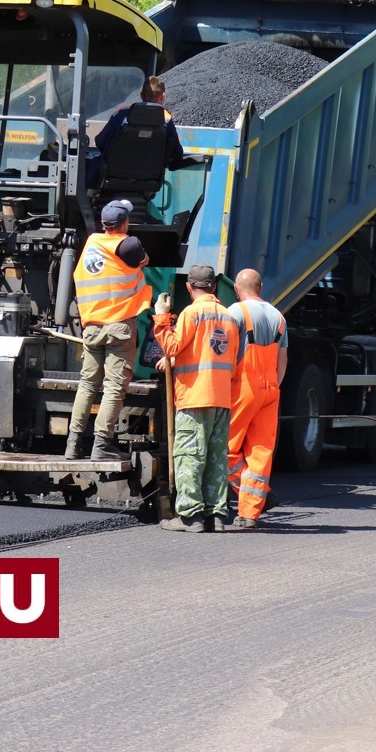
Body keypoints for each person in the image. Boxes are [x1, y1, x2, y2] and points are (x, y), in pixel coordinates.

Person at [152, 264, 240, 532]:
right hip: (222, 398)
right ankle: (215, 515)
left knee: (190, 455)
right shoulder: (229, 318)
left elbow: (172, 346)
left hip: (194, 397)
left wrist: (161, 317)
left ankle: (190, 516)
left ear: (189, 287)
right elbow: (225, 357)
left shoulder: (191, 313)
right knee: (216, 457)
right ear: (214, 287)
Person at [66, 199, 152, 461]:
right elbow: (143, 260)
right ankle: (101, 444)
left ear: (104, 224)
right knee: (114, 386)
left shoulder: (92, 242)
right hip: (118, 326)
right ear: (125, 223)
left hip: (92, 325)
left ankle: (73, 444)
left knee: (88, 384)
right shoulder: (129, 244)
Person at [226, 268, 288, 530]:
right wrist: (272, 387)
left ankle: (248, 493)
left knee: (224, 448)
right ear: (261, 286)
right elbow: (282, 361)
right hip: (271, 389)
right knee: (260, 452)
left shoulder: (235, 312)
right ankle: (250, 513)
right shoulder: (279, 317)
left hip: (243, 388)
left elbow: (225, 355)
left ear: (237, 289)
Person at [87, 76, 189, 186]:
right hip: (149, 180)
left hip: (112, 177)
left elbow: (100, 142)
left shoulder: (121, 115)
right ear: (162, 96)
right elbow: (177, 153)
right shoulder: (166, 120)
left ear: (141, 95)